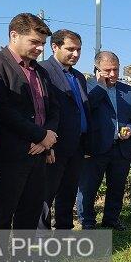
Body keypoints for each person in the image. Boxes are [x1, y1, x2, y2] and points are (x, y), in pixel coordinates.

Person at [0, 13, 58, 230]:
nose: (40, 48)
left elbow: (53, 109)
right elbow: (1, 111)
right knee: (1, 217)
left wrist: (47, 138)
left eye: (42, 43)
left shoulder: (40, 71)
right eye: (34, 42)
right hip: (9, 157)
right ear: (14, 35)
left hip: (39, 155)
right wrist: (40, 135)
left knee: (31, 213)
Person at [77, 51, 131, 230]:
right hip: (94, 148)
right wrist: (101, 86)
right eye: (108, 70)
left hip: (122, 149)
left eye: (116, 69)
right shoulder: (86, 87)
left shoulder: (130, 91)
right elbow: (85, 109)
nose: (113, 74)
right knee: (88, 188)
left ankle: (111, 219)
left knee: (117, 187)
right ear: (97, 70)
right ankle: (88, 222)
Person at [37, 29, 90, 230]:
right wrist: (47, 145)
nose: (75, 54)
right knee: (45, 197)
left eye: (78, 50)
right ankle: (40, 241)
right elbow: (42, 110)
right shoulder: (43, 71)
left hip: (76, 146)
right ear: (55, 47)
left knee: (68, 194)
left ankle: (64, 236)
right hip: (53, 147)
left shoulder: (78, 77)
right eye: (70, 49)